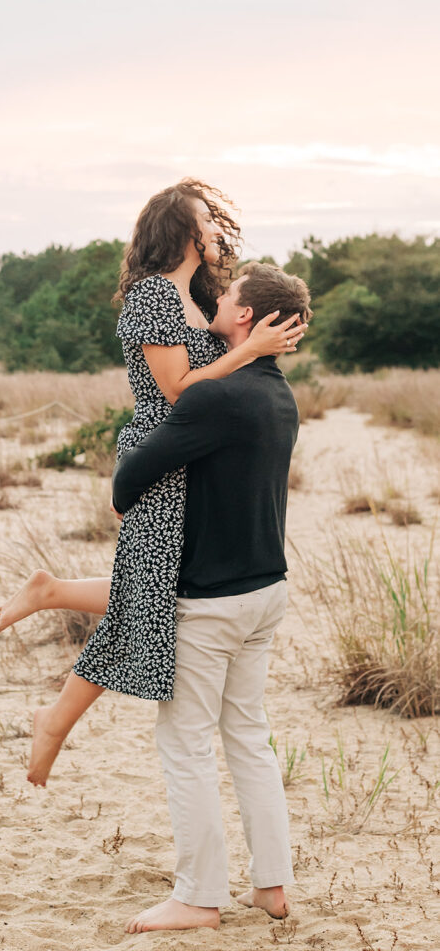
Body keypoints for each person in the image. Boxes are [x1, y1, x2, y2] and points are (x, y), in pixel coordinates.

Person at [0, 180, 307, 787]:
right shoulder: (151, 299)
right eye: (206, 220)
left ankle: (52, 602)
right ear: (178, 229)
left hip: (196, 457)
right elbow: (176, 390)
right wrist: (251, 352)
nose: (217, 229)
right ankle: (53, 714)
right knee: (153, 596)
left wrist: (259, 345)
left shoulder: (198, 297)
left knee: (157, 591)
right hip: (162, 457)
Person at [110, 262, 312, 933]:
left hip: (212, 602)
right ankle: (272, 887)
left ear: (246, 318)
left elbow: (128, 480)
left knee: (187, 743)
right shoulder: (280, 395)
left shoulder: (215, 398)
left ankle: (198, 897)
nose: (213, 302)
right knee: (249, 738)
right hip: (267, 591)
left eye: (225, 297)